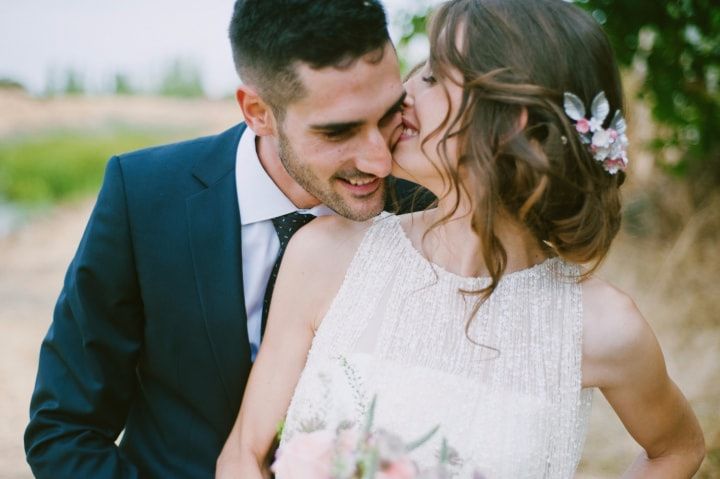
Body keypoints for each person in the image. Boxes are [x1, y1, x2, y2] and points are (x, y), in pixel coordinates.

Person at [216, 0, 706, 477]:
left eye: (431, 77)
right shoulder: (324, 255)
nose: (403, 92)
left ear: (506, 122)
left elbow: (677, 450)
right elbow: (242, 455)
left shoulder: (602, 327)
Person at [24, 1, 429, 477]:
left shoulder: (431, 207)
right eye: (338, 131)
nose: (380, 160)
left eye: (388, 115)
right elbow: (65, 429)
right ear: (258, 112)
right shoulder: (143, 196)